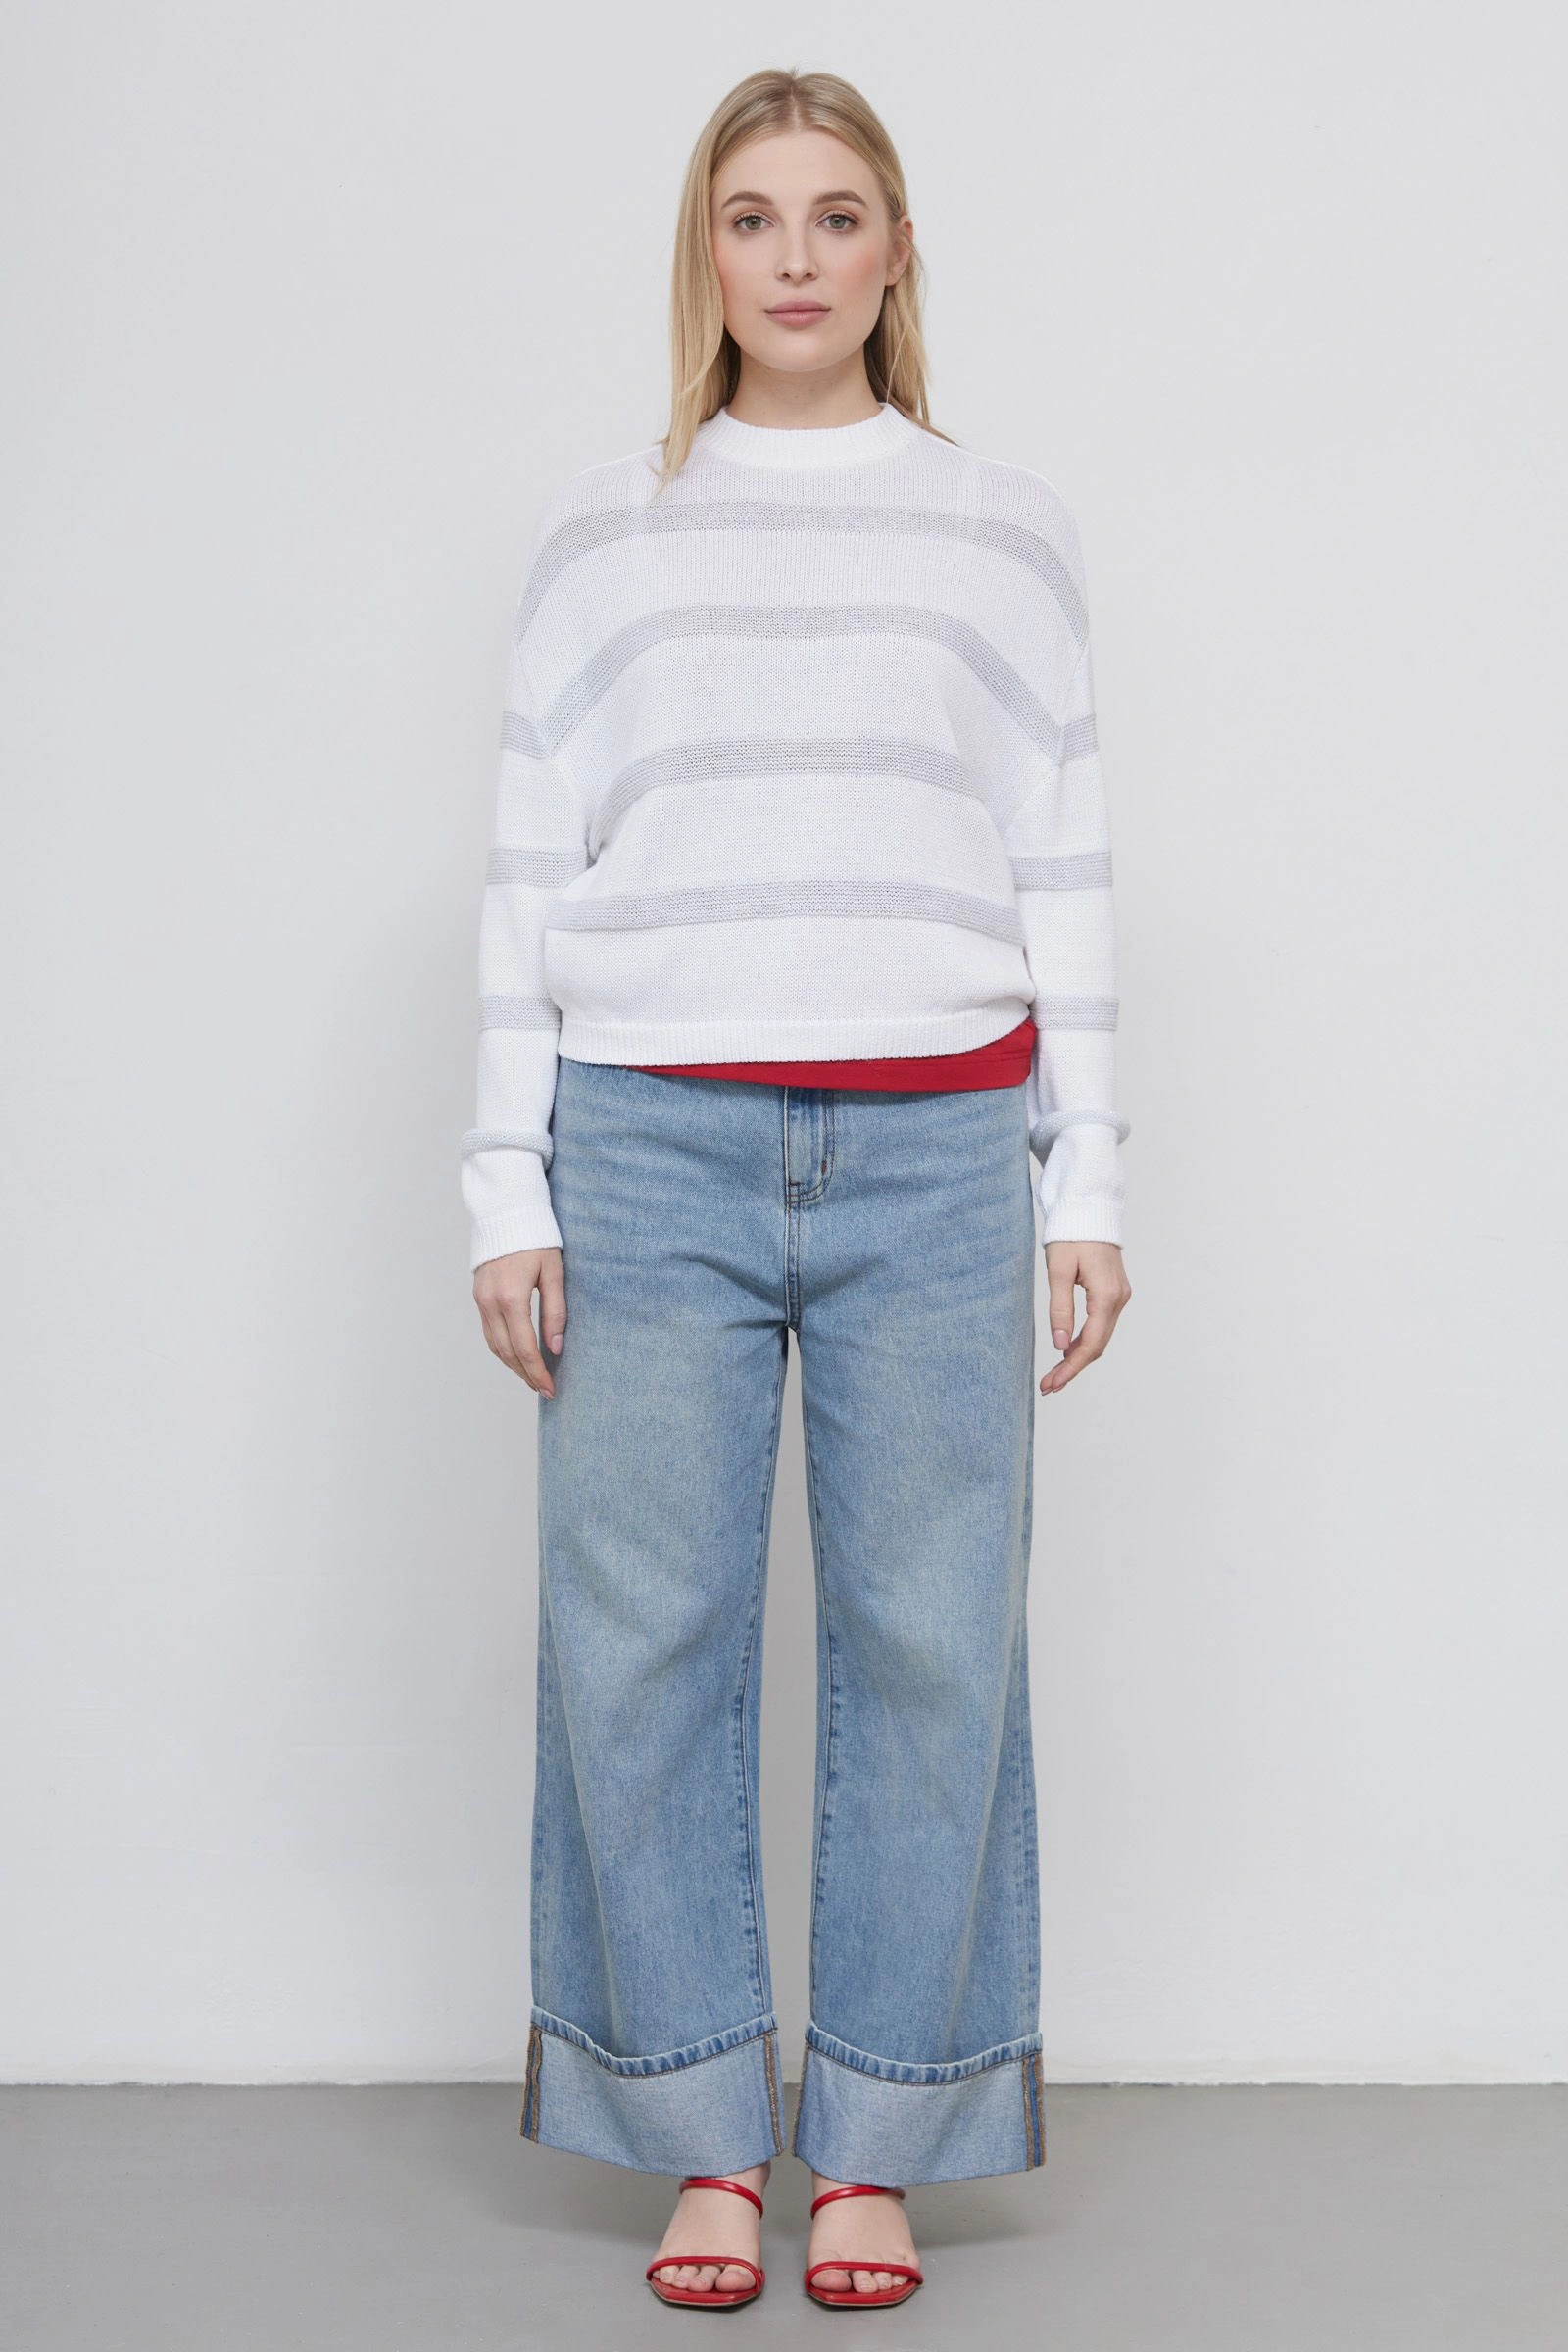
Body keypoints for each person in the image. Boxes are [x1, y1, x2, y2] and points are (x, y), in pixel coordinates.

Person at [462, 65, 1132, 2313]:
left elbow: (1059, 856)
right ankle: (693, 2137)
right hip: (644, 1137)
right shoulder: (603, 532)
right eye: (751, 217)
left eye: (836, 215)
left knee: (932, 1648)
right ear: (706, 253)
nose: (794, 257)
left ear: (894, 250)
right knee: (635, 1645)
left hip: (935, 1148)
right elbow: (528, 861)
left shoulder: (1001, 527)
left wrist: (1086, 1175)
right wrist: (503, 1184)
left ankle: (874, 2142)